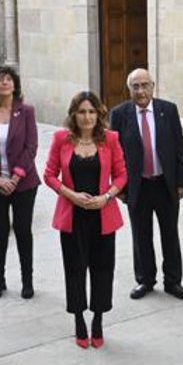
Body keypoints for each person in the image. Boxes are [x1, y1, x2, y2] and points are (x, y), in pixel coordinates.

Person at [44, 91, 128, 348]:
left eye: (91, 111)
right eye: (82, 111)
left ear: (99, 114)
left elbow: (122, 175)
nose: (87, 116)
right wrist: (71, 195)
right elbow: (49, 175)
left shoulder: (111, 139)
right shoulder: (61, 139)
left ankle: (98, 320)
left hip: (102, 216)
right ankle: (79, 320)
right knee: (75, 269)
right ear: (74, 115)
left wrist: (107, 196)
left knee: (102, 270)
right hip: (73, 216)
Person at [109, 67, 183, 301]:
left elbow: (179, 148)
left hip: (165, 185)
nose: (141, 90)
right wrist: (120, 188)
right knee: (141, 236)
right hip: (138, 186)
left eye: (145, 85)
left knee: (170, 235)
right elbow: (115, 155)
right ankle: (145, 280)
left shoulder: (168, 110)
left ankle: (174, 281)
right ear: (129, 89)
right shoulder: (120, 114)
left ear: (153, 86)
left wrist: (182, 182)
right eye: (135, 86)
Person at [0, 66, 39, 300]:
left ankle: (27, 280)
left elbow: (31, 147)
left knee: (23, 231)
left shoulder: (27, 111)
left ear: (15, 84)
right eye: (0, 80)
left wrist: (14, 178)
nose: (4, 83)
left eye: (8, 79)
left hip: (23, 184)